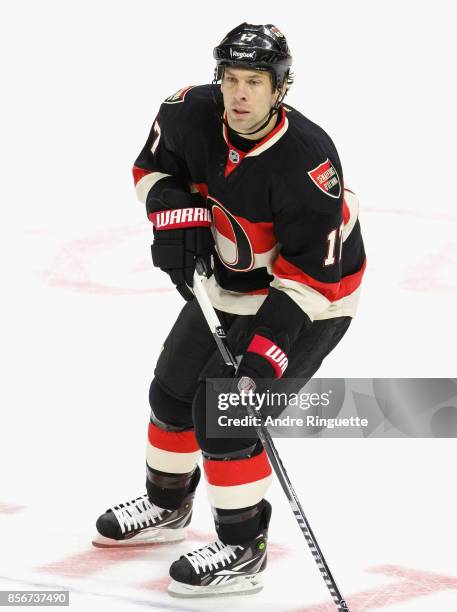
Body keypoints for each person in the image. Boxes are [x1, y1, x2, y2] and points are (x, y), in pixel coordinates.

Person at [93, 23, 366, 598]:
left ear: (280, 88)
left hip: (311, 299)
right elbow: (151, 173)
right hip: (231, 282)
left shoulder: (308, 160)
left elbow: (310, 278)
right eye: (232, 79)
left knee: (226, 414)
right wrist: (173, 212)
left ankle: (245, 549)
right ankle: (168, 506)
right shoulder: (189, 111)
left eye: (255, 82)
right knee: (171, 392)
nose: (240, 95)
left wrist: (265, 357)